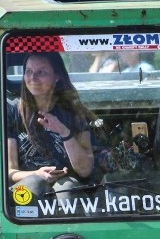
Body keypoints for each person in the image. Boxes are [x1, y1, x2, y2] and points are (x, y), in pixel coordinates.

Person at [7, 52, 95, 197]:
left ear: (57, 76)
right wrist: (37, 174)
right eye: (28, 72)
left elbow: (85, 170)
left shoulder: (73, 112)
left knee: (68, 187)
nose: (33, 78)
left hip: (66, 183)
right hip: (22, 194)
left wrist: (63, 131)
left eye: (41, 72)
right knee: (36, 183)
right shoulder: (11, 111)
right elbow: (10, 172)